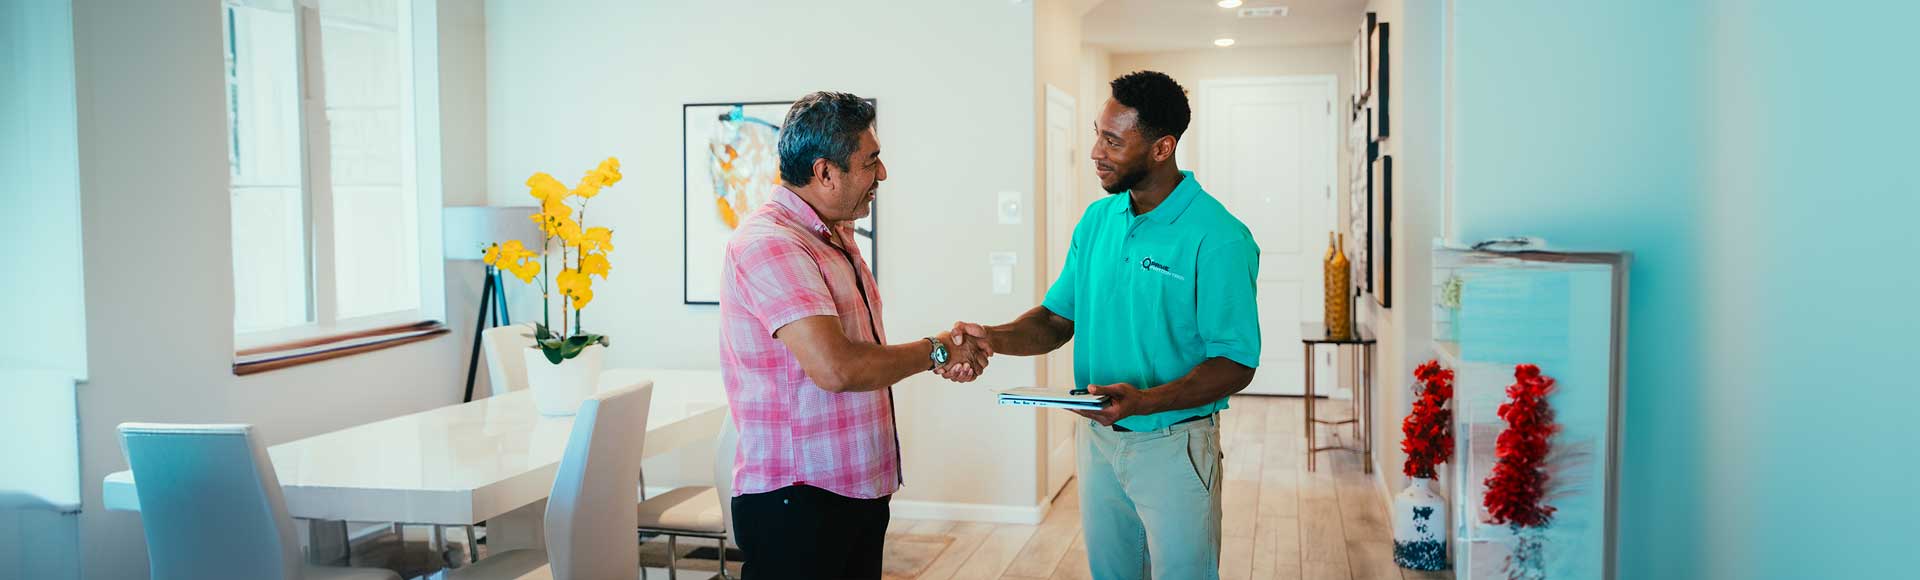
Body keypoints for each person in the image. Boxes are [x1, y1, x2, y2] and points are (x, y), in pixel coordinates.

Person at [944, 71, 1262, 580]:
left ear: (1162, 148)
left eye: (1112, 141)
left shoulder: (1219, 236)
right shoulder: (1096, 221)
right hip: (1097, 443)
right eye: (1098, 133)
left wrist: (1145, 401)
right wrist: (993, 338)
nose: (1095, 151)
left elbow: (1236, 362)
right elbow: (1054, 320)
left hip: (1174, 446)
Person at [718, 91, 987, 580]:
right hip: (799, 501)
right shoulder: (771, 244)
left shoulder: (833, 235)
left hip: (853, 489)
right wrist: (939, 349)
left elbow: (860, 354)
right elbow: (837, 368)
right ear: (825, 172)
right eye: (871, 162)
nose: (881, 175)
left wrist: (939, 352)